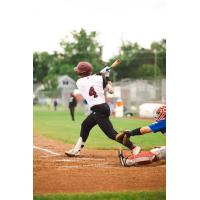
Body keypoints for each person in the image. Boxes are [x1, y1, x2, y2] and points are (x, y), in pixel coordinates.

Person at [65, 61, 141, 157]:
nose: (78, 73)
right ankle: (77, 149)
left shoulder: (79, 82)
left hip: (99, 111)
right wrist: (107, 77)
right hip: (103, 108)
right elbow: (111, 91)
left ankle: (133, 147)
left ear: (81, 73)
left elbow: (89, 79)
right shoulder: (99, 78)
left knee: (112, 134)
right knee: (85, 125)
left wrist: (101, 73)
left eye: (79, 72)